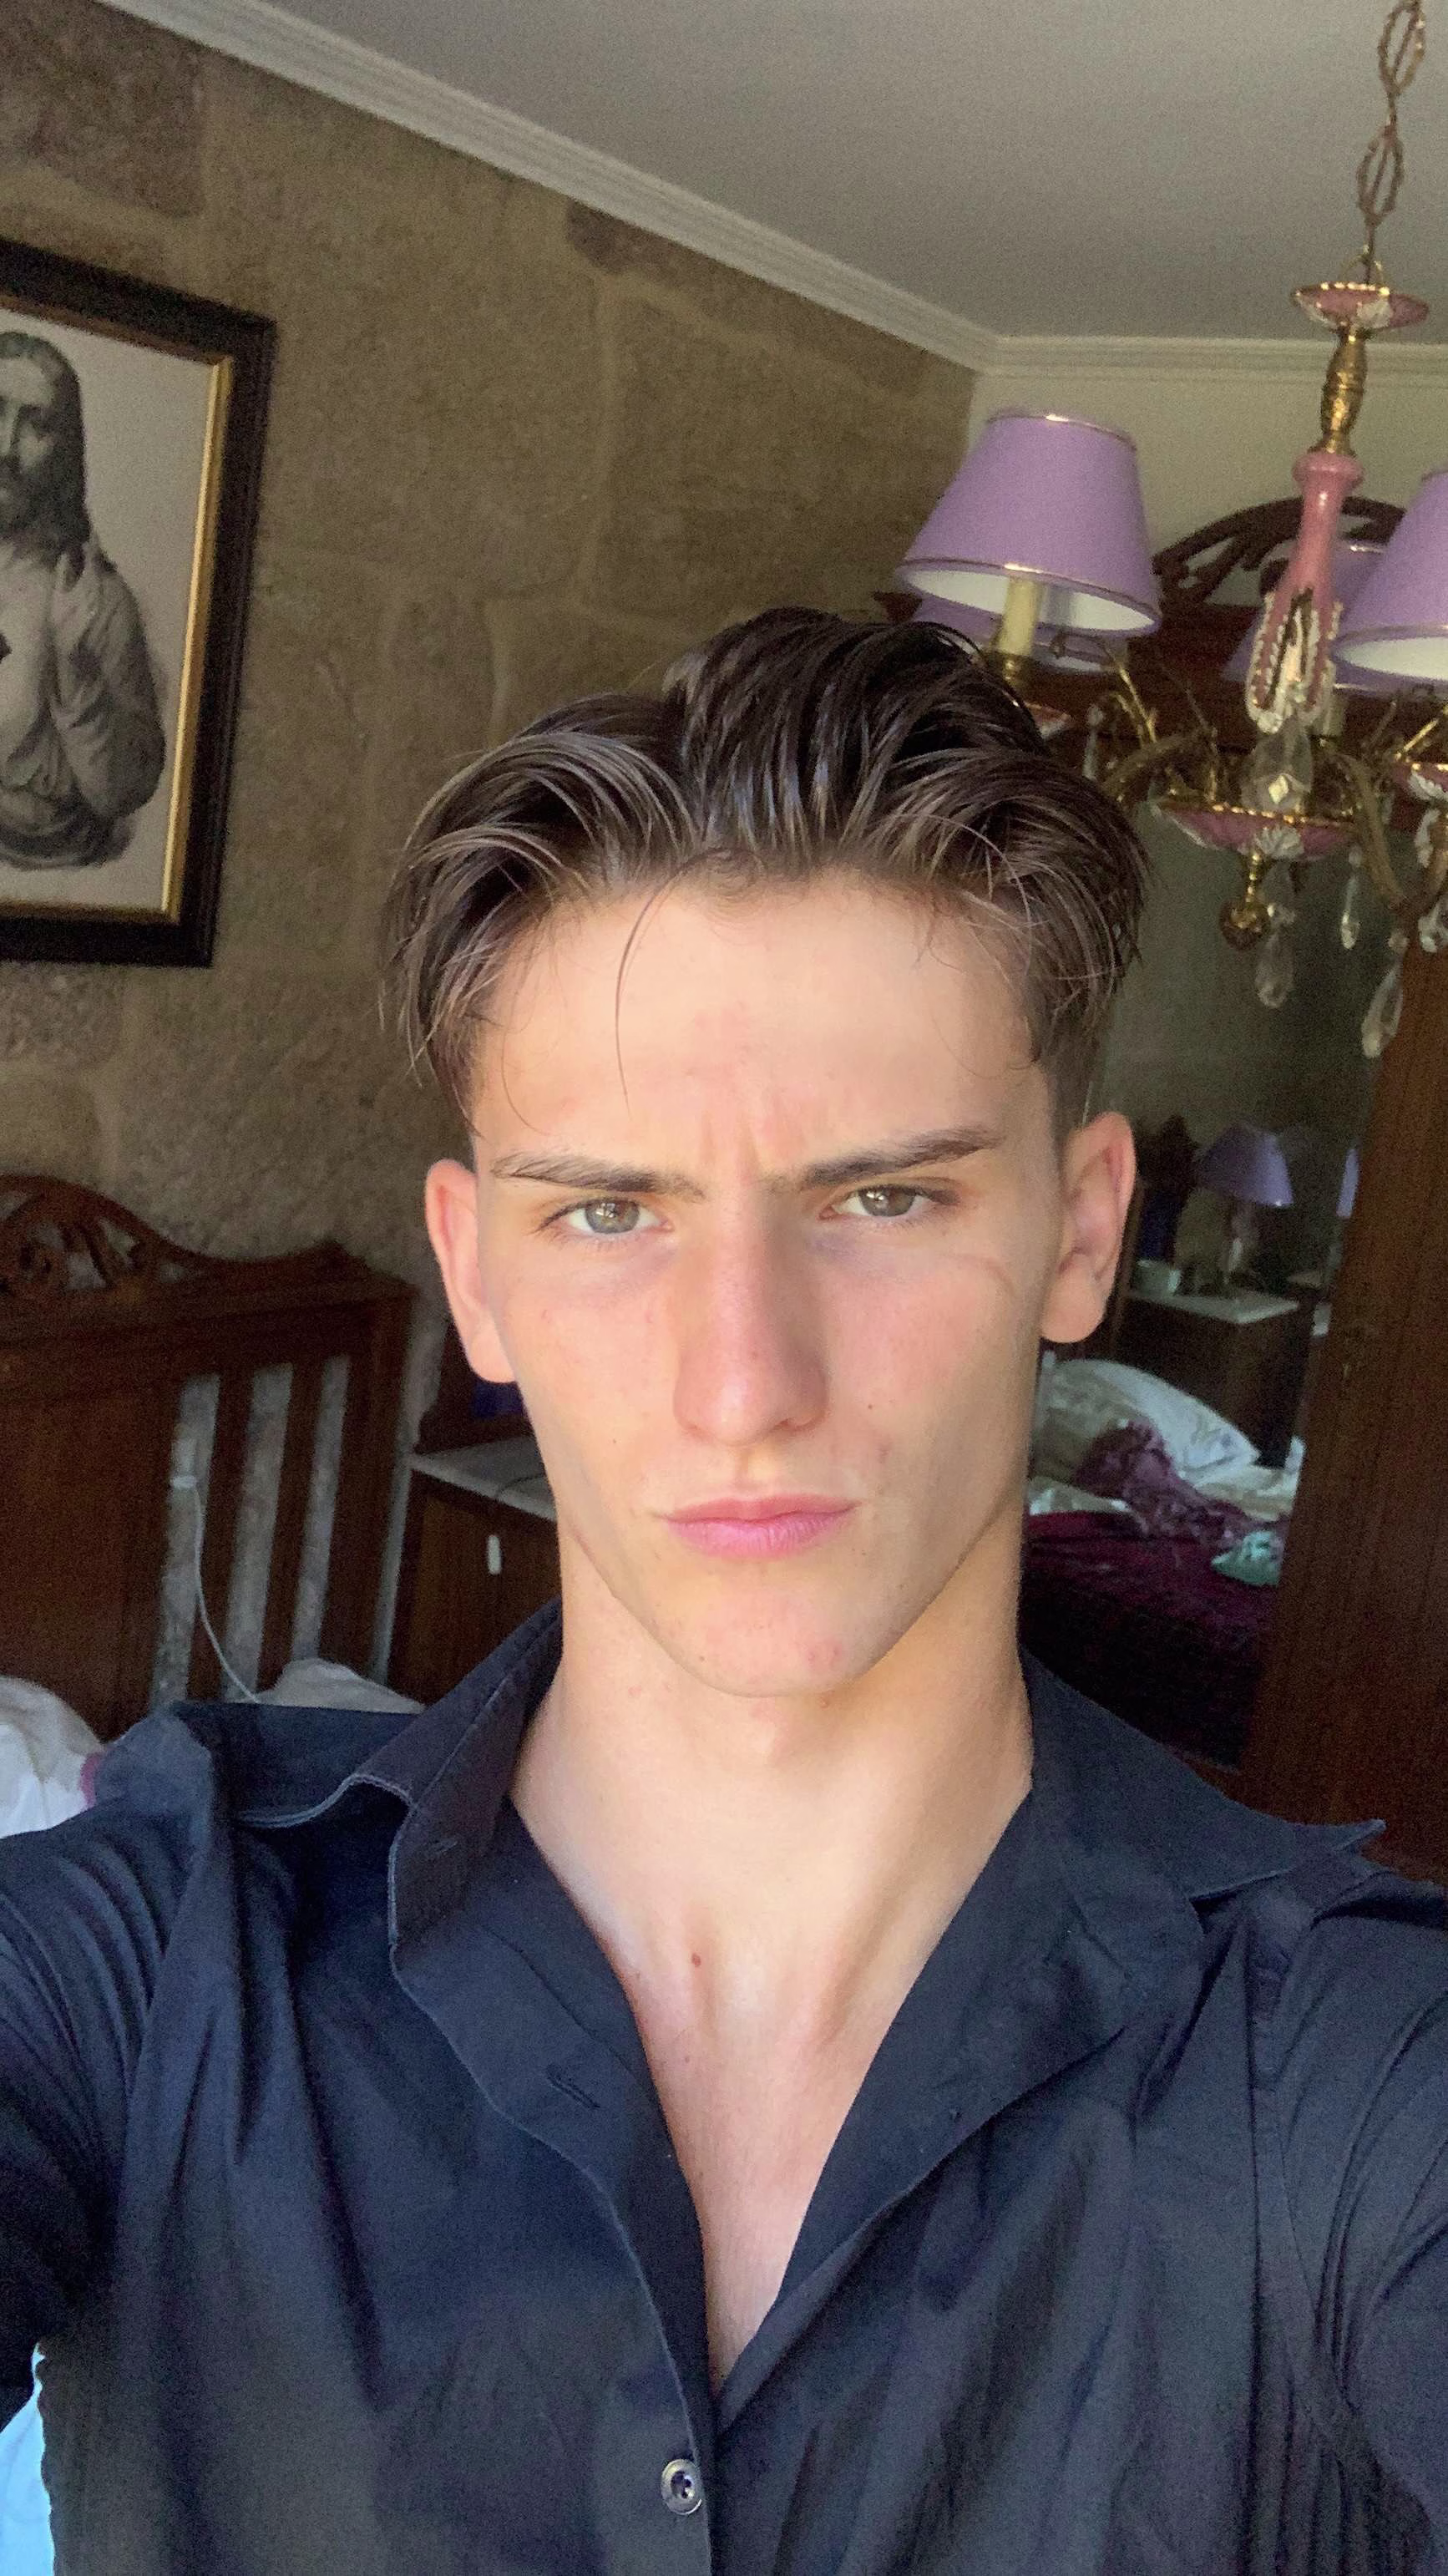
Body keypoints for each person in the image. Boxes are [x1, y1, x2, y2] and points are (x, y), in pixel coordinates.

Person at [1, 610, 1445, 2574]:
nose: (743, 1384)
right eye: (611, 1211)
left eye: (883, 1197)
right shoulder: (156, 1958)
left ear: (1081, 1230)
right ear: (477, 1273)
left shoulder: (1359, 2076)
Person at [0, 332, 165, 870]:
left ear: (64, 448)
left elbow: (121, 791)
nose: (5, 447)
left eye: (37, 424)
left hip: (44, 860)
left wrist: (76, 667)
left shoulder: (92, 598)